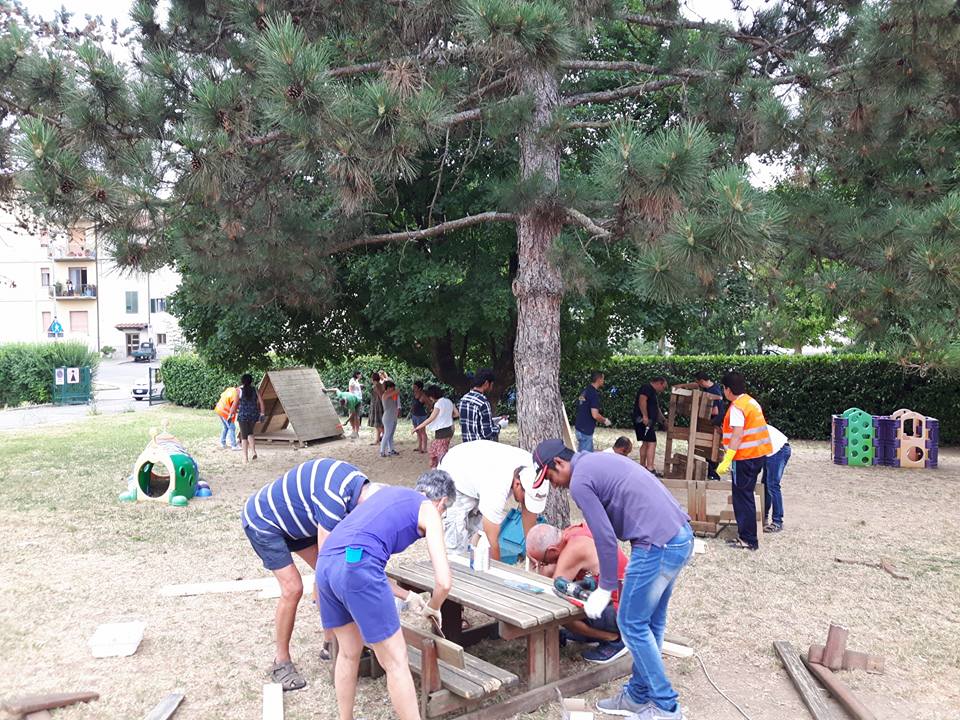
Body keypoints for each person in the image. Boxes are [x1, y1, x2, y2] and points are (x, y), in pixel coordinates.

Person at [534, 439, 693, 720]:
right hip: (678, 536)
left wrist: (605, 588)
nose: (554, 485)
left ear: (559, 463)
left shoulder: (580, 481)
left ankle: (666, 707)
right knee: (649, 622)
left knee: (630, 623)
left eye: (550, 477)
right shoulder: (596, 462)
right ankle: (637, 696)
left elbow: (604, 539)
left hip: (657, 544)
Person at [315, 470, 454, 720]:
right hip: (356, 566)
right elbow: (443, 583)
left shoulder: (388, 493)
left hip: (326, 565)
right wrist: (434, 607)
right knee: (397, 661)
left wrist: (406, 595)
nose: (441, 516)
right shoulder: (430, 510)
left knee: (348, 651)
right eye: (444, 511)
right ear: (442, 502)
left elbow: (356, 557)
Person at [242, 458, 381, 691]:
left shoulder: (358, 488)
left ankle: (329, 643)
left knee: (327, 573)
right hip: (265, 521)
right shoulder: (333, 499)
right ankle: (281, 661)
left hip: (301, 522)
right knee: (293, 588)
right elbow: (330, 564)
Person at [526, 523, 629, 664]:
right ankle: (588, 634)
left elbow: (552, 587)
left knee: (562, 615)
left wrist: (541, 568)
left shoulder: (574, 550)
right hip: (629, 599)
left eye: (543, 562)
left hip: (623, 610)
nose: (542, 565)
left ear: (551, 550)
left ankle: (614, 639)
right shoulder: (572, 532)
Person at [438, 439, 548, 558]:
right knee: (456, 540)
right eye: (527, 499)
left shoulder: (534, 472)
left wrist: (531, 553)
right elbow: (492, 542)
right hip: (455, 472)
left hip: (479, 473)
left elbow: (529, 513)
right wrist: (497, 571)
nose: (527, 503)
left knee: (478, 538)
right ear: (517, 484)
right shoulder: (497, 485)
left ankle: (472, 563)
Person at [716, 370, 772, 551]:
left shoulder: (736, 408)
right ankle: (747, 537)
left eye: (724, 388)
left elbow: (737, 435)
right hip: (757, 455)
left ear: (728, 389)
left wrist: (727, 458)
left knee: (742, 497)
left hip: (744, 458)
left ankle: (748, 539)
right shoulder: (750, 401)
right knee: (745, 495)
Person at [675, 371, 724, 479]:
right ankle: (711, 473)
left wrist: (696, 411)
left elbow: (715, 411)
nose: (698, 385)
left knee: (711, 451)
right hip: (710, 424)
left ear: (702, 381)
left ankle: (713, 474)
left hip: (714, 424)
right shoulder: (710, 386)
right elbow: (695, 384)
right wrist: (682, 386)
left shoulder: (714, 392)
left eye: (698, 382)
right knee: (707, 451)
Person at [414, 385, 458, 467]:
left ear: (432, 395)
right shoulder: (448, 401)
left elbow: (430, 418)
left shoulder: (438, 404)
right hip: (450, 429)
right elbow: (456, 414)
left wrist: (418, 427)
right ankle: (436, 468)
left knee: (439, 453)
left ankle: (439, 469)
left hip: (442, 432)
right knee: (438, 449)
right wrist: (445, 415)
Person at [632, 376, 668, 475]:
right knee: (652, 442)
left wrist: (664, 421)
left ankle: (643, 467)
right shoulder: (647, 388)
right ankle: (650, 468)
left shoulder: (652, 392)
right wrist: (645, 416)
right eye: (663, 387)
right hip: (643, 420)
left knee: (646, 443)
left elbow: (656, 408)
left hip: (646, 421)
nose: (663, 390)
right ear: (659, 383)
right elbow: (642, 400)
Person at [459, 369, 504, 442]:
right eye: (492, 385)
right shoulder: (483, 402)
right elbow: (487, 433)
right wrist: (500, 425)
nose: (492, 388)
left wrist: (497, 420)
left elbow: (474, 421)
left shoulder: (463, 399)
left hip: (466, 446)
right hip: (480, 448)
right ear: (486, 383)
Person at [230, 373, 266, 463]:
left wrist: (230, 414)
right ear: (251, 381)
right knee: (250, 432)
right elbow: (261, 402)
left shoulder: (239, 390)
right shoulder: (255, 390)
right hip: (254, 415)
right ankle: (253, 451)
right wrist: (262, 413)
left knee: (244, 436)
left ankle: (245, 458)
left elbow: (235, 405)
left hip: (243, 415)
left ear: (242, 381)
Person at [762, 424, 790, 533]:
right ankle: (763, 516)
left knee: (773, 485)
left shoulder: (750, 428)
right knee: (765, 484)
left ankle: (777, 522)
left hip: (778, 450)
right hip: (771, 450)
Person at [574, 371, 613, 453]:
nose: (603, 381)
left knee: (582, 455)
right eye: (603, 379)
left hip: (579, 427)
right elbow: (595, 415)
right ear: (599, 379)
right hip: (586, 430)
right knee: (585, 458)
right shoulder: (594, 394)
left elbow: (580, 405)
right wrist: (605, 421)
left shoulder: (585, 391)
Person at [214, 384, 241, 450]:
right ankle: (233, 445)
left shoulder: (230, 389)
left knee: (226, 427)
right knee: (232, 427)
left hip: (219, 409)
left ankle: (222, 443)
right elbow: (233, 406)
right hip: (225, 412)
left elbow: (222, 396)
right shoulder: (236, 395)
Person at [379, 380, 400, 457]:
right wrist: (395, 391)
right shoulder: (385, 395)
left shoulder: (390, 395)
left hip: (393, 417)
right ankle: (382, 451)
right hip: (388, 417)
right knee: (387, 434)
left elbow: (396, 393)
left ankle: (391, 450)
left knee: (391, 435)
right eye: (392, 388)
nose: (394, 389)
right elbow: (397, 391)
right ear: (388, 388)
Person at [367, 371, 387, 445]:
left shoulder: (377, 386)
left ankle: (386, 438)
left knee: (379, 424)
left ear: (373, 379)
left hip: (377, 406)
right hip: (378, 405)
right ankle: (377, 439)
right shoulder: (381, 384)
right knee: (377, 424)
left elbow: (381, 396)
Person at [411, 380, 430, 454]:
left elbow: (429, 404)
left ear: (419, 388)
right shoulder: (414, 394)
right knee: (417, 432)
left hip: (421, 416)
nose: (413, 388)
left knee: (422, 432)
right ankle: (419, 447)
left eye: (415, 387)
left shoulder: (423, 396)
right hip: (414, 415)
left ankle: (424, 448)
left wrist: (428, 413)